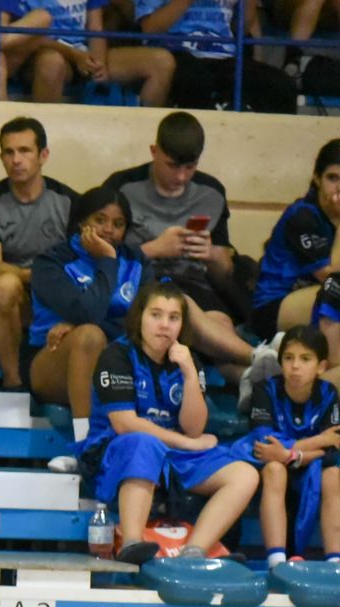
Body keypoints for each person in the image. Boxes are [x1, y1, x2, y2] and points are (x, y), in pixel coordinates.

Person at [78, 281, 259, 564]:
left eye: (173, 318)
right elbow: (125, 424)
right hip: (114, 451)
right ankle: (131, 543)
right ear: (139, 318)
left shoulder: (187, 359)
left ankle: (195, 550)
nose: (165, 325)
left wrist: (188, 373)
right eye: (156, 315)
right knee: (142, 442)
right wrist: (187, 443)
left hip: (171, 453)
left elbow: (195, 427)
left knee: (244, 474)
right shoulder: (116, 356)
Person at [102, 112, 276, 403]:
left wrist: (211, 255)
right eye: (172, 166)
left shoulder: (211, 193)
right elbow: (104, 257)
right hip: (143, 283)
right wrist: (155, 249)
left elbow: (223, 274)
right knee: (182, 307)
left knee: (219, 327)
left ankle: (248, 380)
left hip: (196, 280)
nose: (180, 177)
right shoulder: (122, 187)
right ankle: (262, 357)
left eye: (190, 167)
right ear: (154, 152)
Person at [28, 186, 148, 452]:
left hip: (117, 361)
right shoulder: (51, 263)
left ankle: (252, 358)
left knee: (179, 306)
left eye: (118, 224)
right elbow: (87, 313)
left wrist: (77, 324)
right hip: (54, 361)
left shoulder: (136, 261)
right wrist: (107, 261)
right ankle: (86, 445)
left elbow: (146, 321)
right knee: (88, 336)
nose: (108, 230)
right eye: (100, 220)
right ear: (82, 221)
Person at [0, 116, 78, 390]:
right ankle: (13, 382)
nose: (16, 160)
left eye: (25, 151)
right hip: (15, 293)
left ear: (43, 155)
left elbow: (79, 263)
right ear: (1, 157)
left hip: (58, 292)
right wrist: (35, 276)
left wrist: (47, 281)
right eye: (9, 152)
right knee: (4, 285)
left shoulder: (68, 201)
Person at [238, 327, 340, 567]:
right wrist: (315, 443)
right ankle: (277, 560)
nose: (295, 366)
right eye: (288, 358)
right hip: (274, 463)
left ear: (321, 367)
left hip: (307, 463)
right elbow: (265, 445)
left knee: (333, 475)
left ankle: (335, 561)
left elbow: (334, 445)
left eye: (305, 359)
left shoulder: (329, 393)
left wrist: (291, 454)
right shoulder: (265, 389)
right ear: (280, 362)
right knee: (274, 468)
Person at [135, 0, 299, 113]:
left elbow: (239, 28)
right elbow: (149, 28)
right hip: (174, 52)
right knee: (197, 79)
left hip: (223, 55)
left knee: (280, 85)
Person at [255, 139, 340, 343]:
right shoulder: (303, 216)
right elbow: (332, 276)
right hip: (272, 306)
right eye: (332, 178)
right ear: (317, 178)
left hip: (310, 297)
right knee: (336, 290)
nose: (339, 188)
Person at [20, 0, 175, 106]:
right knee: (52, 63)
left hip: (83, 53)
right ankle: (44, 135)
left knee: (162, 62)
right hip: (45, 51)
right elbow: (27, 37)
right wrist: (74, 55)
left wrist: (99, 65)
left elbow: (95, 28)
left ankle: (144, 137)